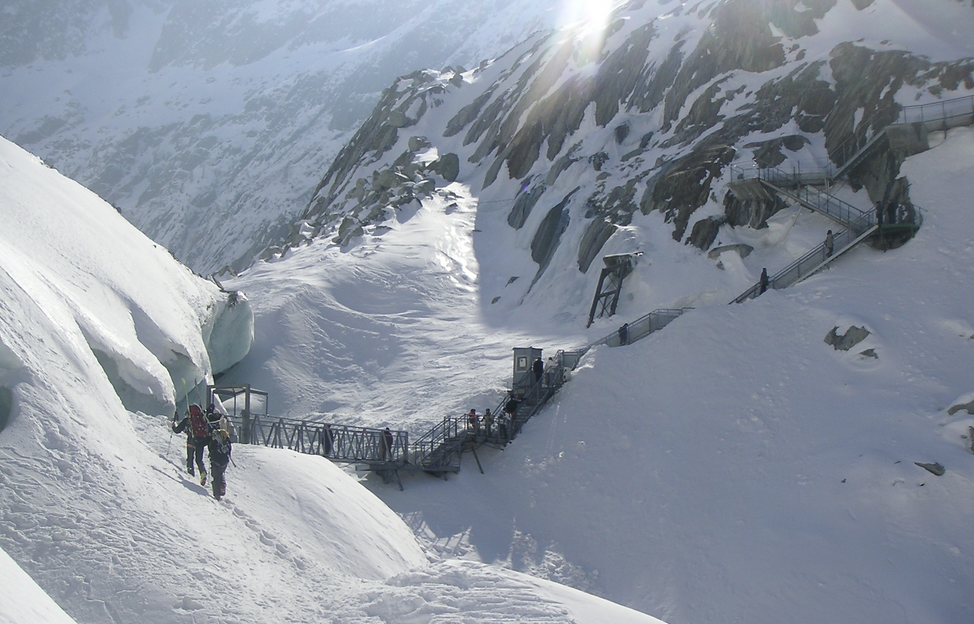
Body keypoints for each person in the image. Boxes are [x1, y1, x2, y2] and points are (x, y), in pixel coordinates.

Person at [173, 404, 210, 485]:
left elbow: (177, 430)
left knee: (190, 458)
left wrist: (173, 425)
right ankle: (203, 473)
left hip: (191, 441)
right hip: (201, 441)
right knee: (199, 460)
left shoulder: (188, 420)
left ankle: (190, 475)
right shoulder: (201, 419)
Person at [207, 427, 232, 501]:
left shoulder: (215, 442)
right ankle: (223, 484)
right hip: (224, 462)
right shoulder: (227, 442)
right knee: (221, 473)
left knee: (215, 477)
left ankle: (217, 494)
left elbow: (211, 448)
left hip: (216, 461)